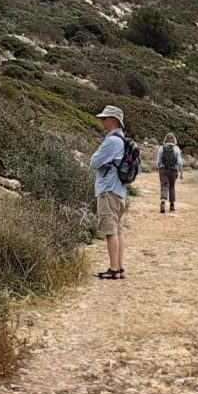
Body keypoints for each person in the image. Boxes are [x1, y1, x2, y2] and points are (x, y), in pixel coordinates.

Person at [90, 105, 128, 280]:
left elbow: (94, 161)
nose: (102, 121)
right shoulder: (123, 140)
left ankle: (113, 269)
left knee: (110, 230)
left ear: (114, 120)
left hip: (108, 189)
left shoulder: (112, 141)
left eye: (105, 118)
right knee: (118, 229)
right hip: (119, 189)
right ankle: (119, 268)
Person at [155, 133, 183, 214]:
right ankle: (172, 206)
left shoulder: (161, 148)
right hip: (173, 170)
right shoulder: (176, 148)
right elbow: (179, 162)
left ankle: (163, 202)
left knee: (164, 185)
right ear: (174, 139)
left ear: (165, 139)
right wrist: (181, 173)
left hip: (163, 170)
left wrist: (159, 169)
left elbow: (158, 162)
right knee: (172, 186)